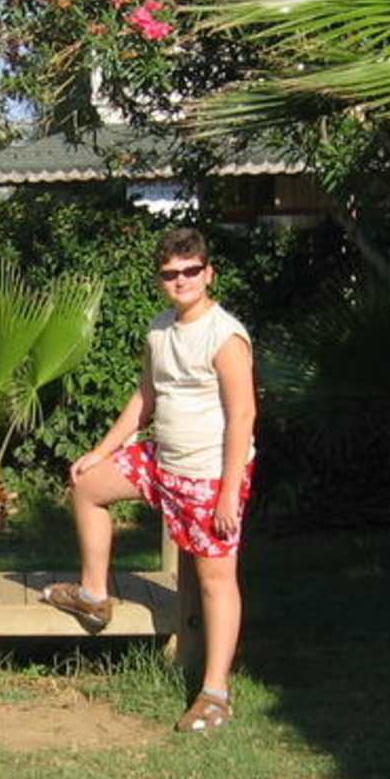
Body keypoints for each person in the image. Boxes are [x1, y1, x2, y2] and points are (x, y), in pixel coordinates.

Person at [42, 227, 256, 733]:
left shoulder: (225, 336)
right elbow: (145, 398)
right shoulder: (160, 330)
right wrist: (100, 452)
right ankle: (94, 596)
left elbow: (243, 415)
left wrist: (228, 491)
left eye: (190, 271)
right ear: (159, 280)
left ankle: (215, 693)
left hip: (208, 473)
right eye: (170, 274)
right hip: (163, 460)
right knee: (87, 487)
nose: (181, 281)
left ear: (208, 274)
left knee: (215, 579)